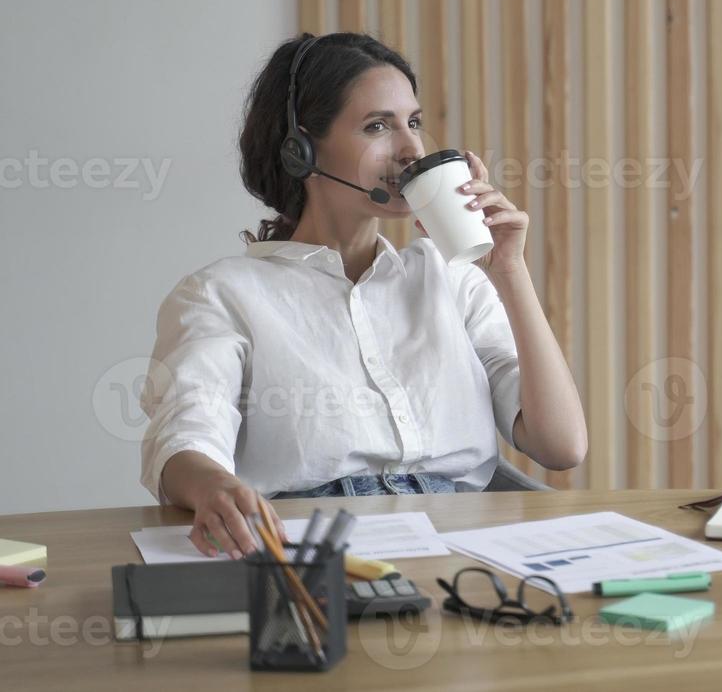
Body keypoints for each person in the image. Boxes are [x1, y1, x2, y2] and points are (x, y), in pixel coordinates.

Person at [139, 31, 587, 559]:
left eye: (413, 123)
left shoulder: (452, 280)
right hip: (319, 547)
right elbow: (183, 440)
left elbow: (561, 446)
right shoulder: (223, 294)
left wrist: (509, 270)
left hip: (464, 545)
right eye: (378, 126)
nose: (412, 150)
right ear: (300, 149)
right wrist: (214, 486)